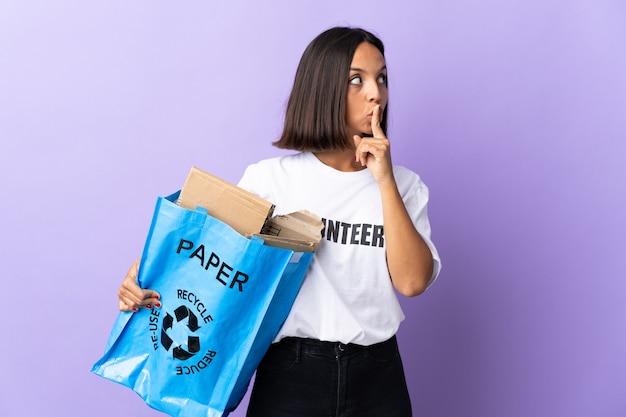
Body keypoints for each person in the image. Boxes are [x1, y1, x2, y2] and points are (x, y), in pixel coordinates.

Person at [118, 26, 441, 417]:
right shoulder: (270, 180)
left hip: (379, 376)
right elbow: (210, 262)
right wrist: (149, 276)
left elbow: (412, 282)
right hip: (293, 373)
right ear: (322, 89)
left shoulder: (405, 186)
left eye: (382, 78)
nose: (376, 93)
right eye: (356, 80)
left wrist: (384, 180)